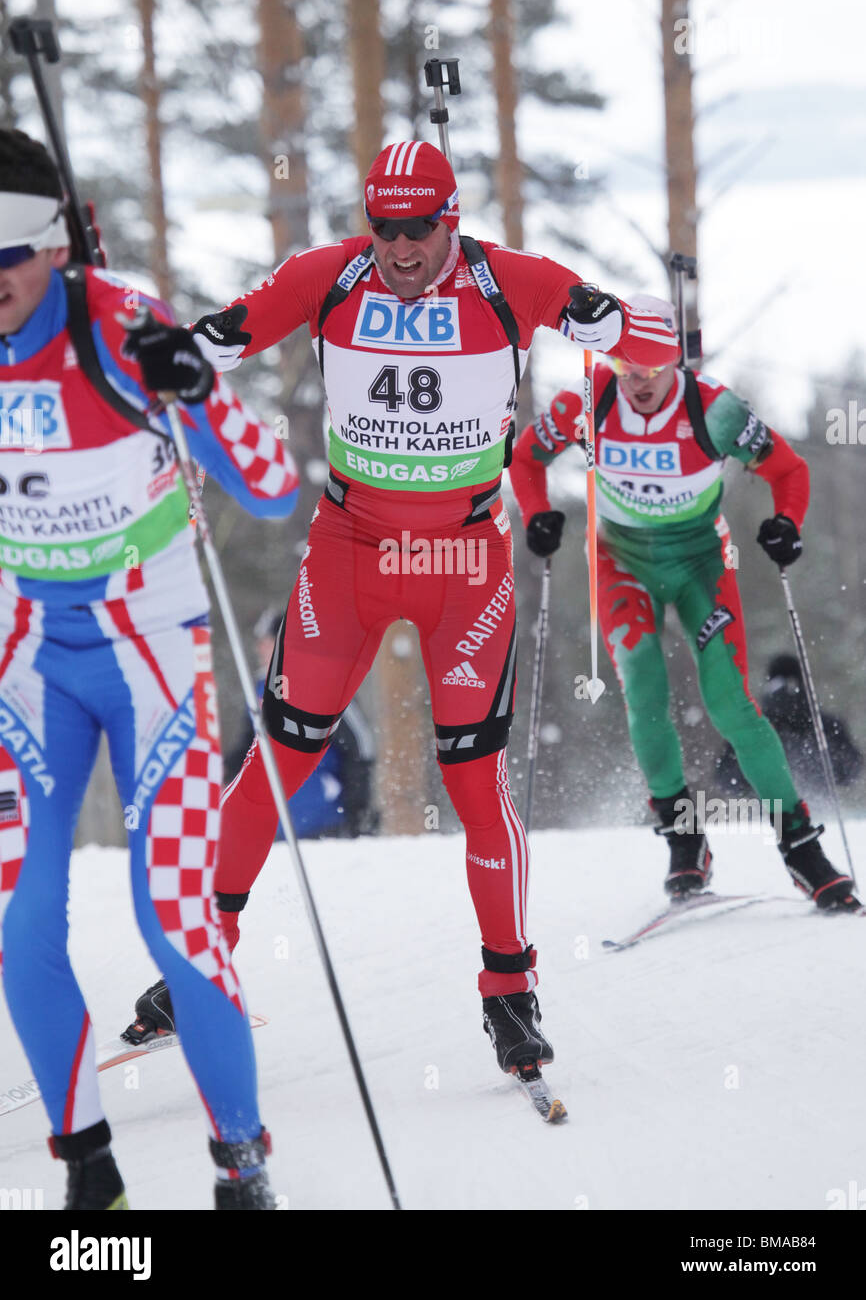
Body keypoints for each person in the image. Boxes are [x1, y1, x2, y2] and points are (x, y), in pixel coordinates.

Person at [123, 139, 680, 1080]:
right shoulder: (329, 274)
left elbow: (656, 348)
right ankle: (198, 961)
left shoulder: (511, 279)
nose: (400, 246)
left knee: (473, 781)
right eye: (385, 226)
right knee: (280, 757)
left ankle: (509, 990)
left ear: (449, 221)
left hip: (465, 559)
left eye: (419, 228)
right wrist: (164, 354)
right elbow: (221, 337)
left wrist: (603, 322)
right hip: (350, 550)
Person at [0, 128, 299, 1209]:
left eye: (3, 263)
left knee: (171, 913)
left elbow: (270, 485)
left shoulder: (123, 325)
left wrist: (202, 389)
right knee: (18, 918)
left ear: (51, 250)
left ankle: (241, 1160)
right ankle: (88, 1167)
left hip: (150, 657)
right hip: (26, 661)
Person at [508, 311, 860, 912]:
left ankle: (801, 846)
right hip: (623, 563)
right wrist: (538, 512)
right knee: (644, 690)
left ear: (676, 360)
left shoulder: (715, 410)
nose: (638, 380)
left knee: (731, 703)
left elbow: (788, 469)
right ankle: (684, 837)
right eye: (626, 365)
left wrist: (786, 524)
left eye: (651, 366)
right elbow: (525, 458)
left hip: (701, 561)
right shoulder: (586, 404)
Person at [223, 606, 380, 838]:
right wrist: (224, 771)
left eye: (266, 641)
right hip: (275, 829)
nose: (260, 648)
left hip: (326, 822)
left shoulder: (326, 684)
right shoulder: (258, 689)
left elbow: (360, 745)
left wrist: (359, 806)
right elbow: (249, 747)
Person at [716, 653, 863, 803]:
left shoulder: (754, 727)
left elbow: (727, 781)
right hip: (823, 814)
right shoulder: (824, 724)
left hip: (768, 816)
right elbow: (851, 772)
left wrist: (750, 777)